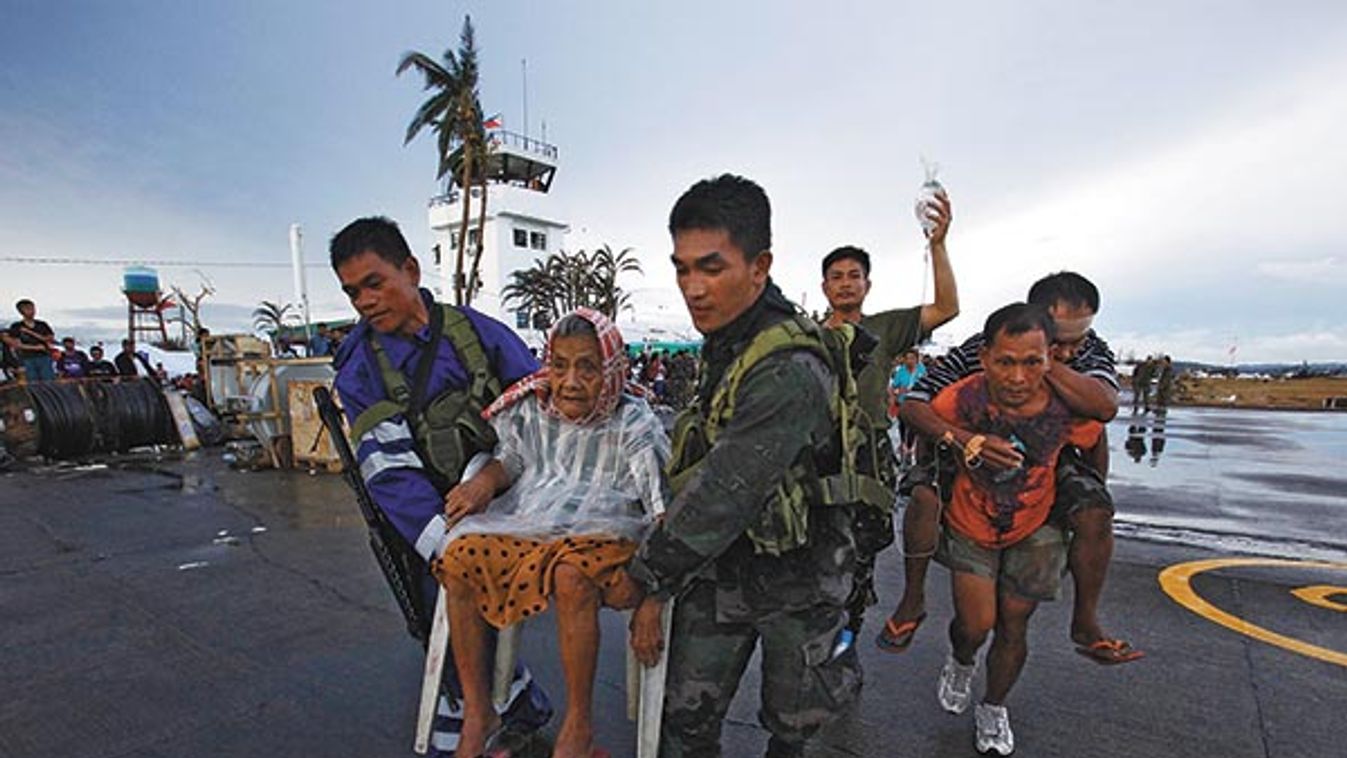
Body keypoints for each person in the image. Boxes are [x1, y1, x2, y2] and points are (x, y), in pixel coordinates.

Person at [627, 174, 859, 758]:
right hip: (725, 569)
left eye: (711, 268)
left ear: (760, 266)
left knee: (792, 728)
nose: (693, 288)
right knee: (686, 720)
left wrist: (645, 576)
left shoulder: (787, 363)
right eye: (682, 269)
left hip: (800, 577)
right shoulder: (728, 340)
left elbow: (727, 489)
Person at [328, 216, 552, 757]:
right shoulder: (360, 370)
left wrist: (498, 482)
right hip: (431, 519)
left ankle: (503, 712)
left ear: (410, 270)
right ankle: (484, 723)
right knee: (444, 600)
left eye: (375, 283)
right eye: (352, 291)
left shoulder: (477, 333)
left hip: (512, 495)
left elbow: (539, 416)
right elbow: (389, 470)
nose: (365, 302)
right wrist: (442, 542)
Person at [435, 308, 669, 758]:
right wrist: (483, 481)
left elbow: (661, 512)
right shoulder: (534, 407)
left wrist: (654, 597)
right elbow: (514, 459)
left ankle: (578, 726)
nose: (570, 382)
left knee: (569, 573)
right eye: (558, 366)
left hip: (608, 529)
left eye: (587, 367)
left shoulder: (634, 425)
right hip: (534, 519)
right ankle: (479, 711)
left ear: (612, 369)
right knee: (461, 558)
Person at [884, 271, 1141, 664]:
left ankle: (1086, 620)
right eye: (1063, 340)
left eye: (1078, 340)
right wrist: (963, 439)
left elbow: (1104, 406)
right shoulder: (980, 349)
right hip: (969, 442)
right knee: (923, 493)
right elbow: (917, 402)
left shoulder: (1088, 351)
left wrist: (1041, 360)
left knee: (1095, 509)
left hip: (1047, 452)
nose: (1072, 351)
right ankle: (912, 599)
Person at [927, 302, 1103, 755]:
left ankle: (993, 706)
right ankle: (962, 659)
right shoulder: (963, 397)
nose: (1018, 377)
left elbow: (1096, 434)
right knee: (975, 624)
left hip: (1035, 528)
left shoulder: (1066, 407)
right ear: (985, 358)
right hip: (971, 522)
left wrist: (1094, 494)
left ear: (1051, 359)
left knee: (1013, 624)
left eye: (1032, 362)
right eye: (1006, 362)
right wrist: (964, 441)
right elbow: (919, 415)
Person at [821, 193, 959, 638]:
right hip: (816, 453)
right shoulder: (803, 335)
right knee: (808, 553)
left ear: (867, 285)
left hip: (869, 458)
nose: (845, 283)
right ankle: (812, 645)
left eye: (854, 276)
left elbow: (946, 307)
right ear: (824, 287)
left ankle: (846, 644)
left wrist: (938, 244)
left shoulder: (883, 328)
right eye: (836, 277)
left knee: (861, 555)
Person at [8, 299, 56, 382]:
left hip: (44, 357)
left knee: (48, 382)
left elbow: (50, 338)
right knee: (32, 383)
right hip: (27, 358)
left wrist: (30, 332)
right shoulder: (16, 326)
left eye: (33, 308)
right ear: (21, 311)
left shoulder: (42, 324)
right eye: (28, 309)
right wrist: (36, 347)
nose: (32, 311)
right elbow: (16, 345)